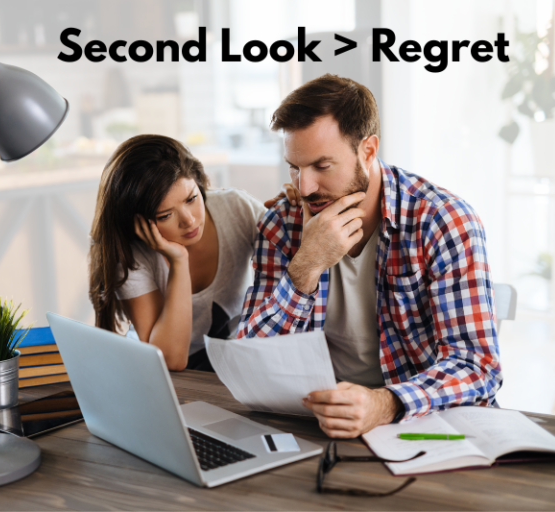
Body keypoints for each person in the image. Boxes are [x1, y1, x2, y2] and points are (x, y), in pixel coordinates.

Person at [237, 74, 502, 438]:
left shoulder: (442, 222)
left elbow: (476, 366)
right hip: (318, 424)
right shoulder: (281, 224)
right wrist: (305, 267)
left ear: (368, 150)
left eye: (321, 166)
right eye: (295, 168)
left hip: (422, 422)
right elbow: (248, 363)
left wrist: (384, 403)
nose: (305, 187)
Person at [89, 134, 269, 371]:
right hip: (165, 378)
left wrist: (294, 210)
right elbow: (170, 359)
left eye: (192, 198)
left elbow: (292, 255)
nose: (189, 220)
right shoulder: (131, 257)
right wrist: (178, 260)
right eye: (165, 215)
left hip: (233, 365)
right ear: (137, 221)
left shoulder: (236, 208)